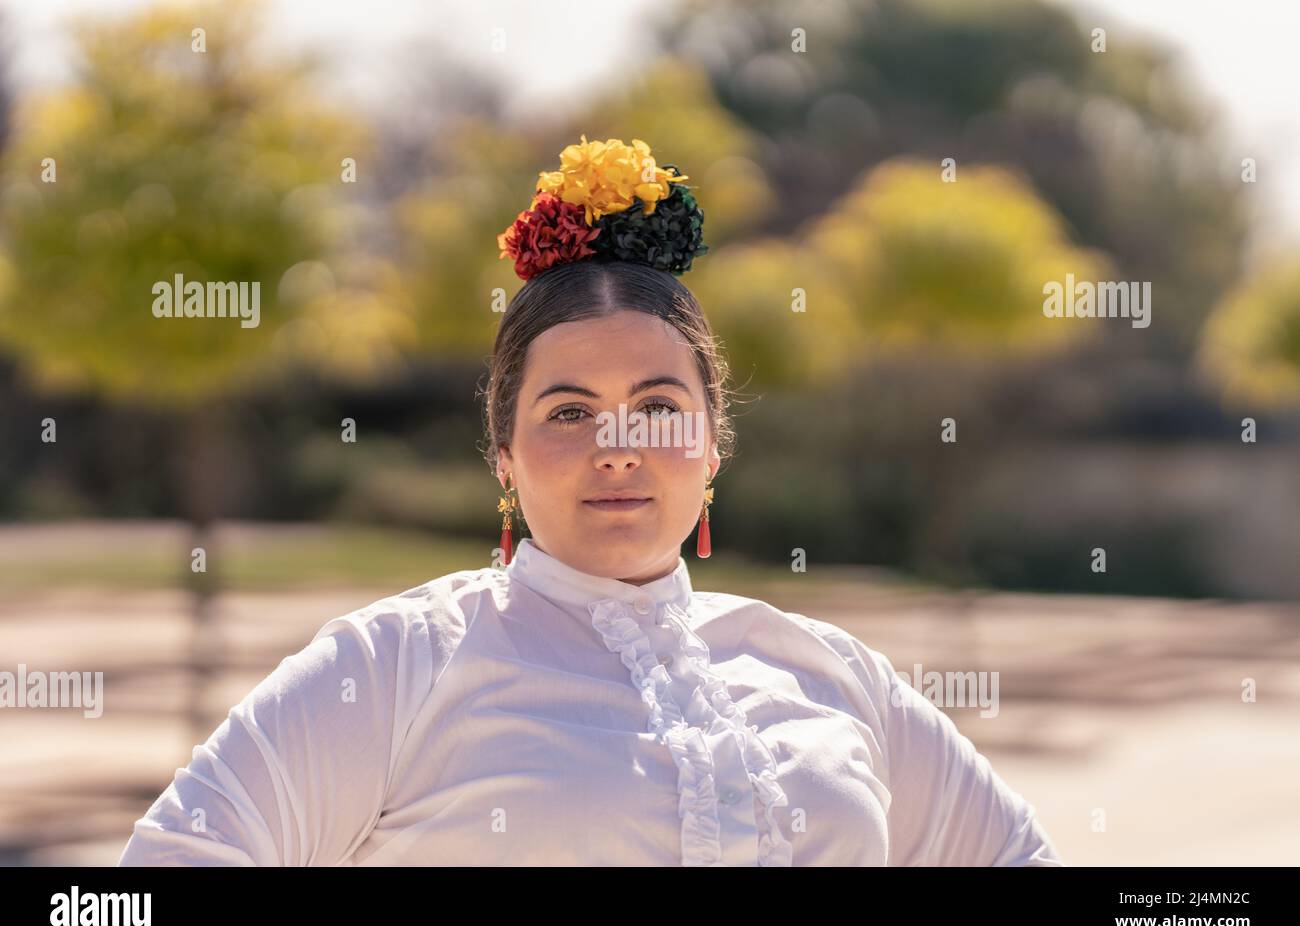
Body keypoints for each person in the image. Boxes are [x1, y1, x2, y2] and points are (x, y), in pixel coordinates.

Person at [118, 136, 1062, 867]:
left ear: (712, 446)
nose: (618, 449)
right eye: (570, 412)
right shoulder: (397, 667)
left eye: (657, 407)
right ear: (504, 456)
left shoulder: (828, 671)